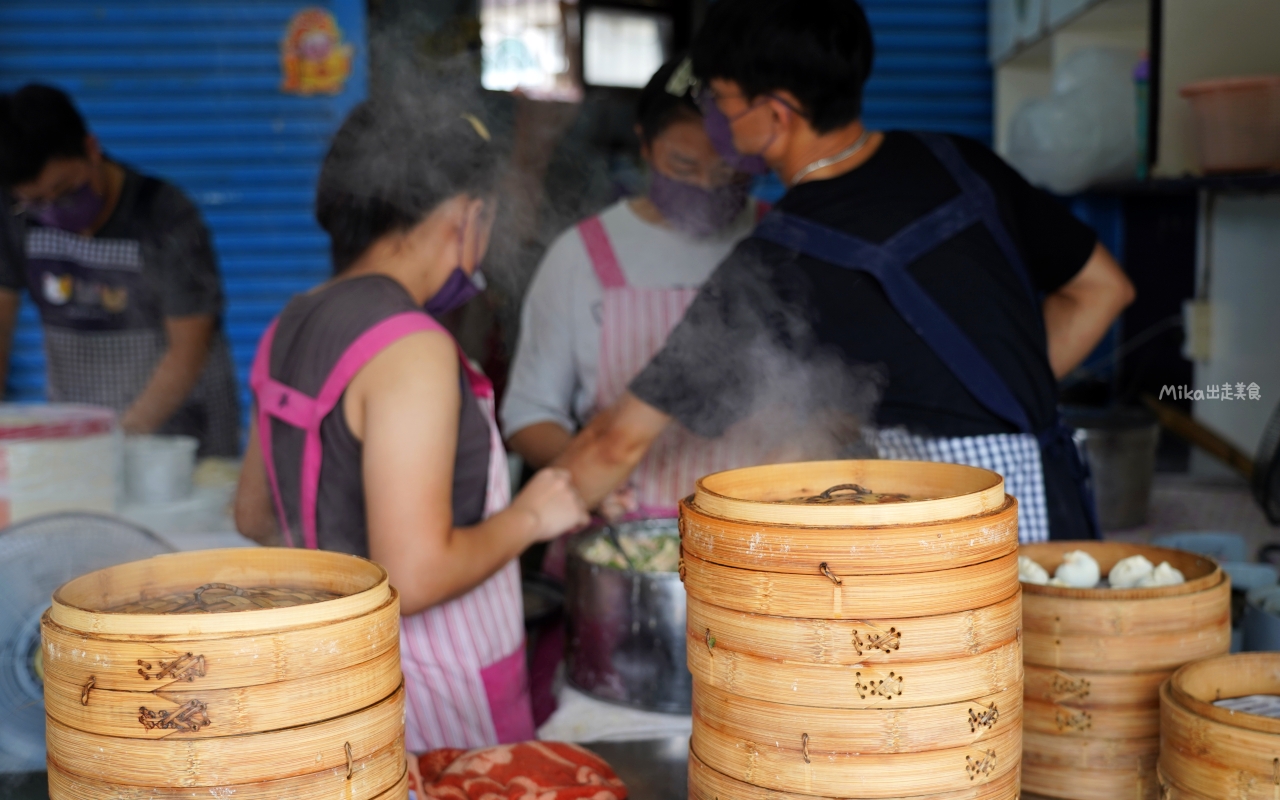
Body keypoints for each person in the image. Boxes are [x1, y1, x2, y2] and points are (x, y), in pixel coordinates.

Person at [553, 0, 1136, 542]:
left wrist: (515, 527)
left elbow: (616, 442)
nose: (719, 122)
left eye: (724, 102)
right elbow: (1102, 291)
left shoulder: (777, 259)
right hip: (1059, 517)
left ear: (774, 115)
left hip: (944, 542)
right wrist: (1003, 407)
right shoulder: (962, 160)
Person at [233, 94, 589, 750]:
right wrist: (533, 517)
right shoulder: (411, 345)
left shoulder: (294, 318)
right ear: (465, 213)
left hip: (331, 679)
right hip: (431, 699)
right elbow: (416, 575)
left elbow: (255, 515)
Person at [501, 58, 766, 517]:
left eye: (727, 174)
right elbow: (527, 417)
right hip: (623, 535)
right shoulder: (582, 254)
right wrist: (593, 482)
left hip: (757, 533)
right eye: (683, 166)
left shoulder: (778, 241)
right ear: (644, 143)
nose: (705, 185)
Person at [0, 84, 239, 454]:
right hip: (79, 429)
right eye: (36, 203)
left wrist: (120, 440)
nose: (51, 211)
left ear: (91, 149)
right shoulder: (14, 215)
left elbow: (189, 349)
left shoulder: (166, 216)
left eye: (65, 191)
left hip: (180, 437)